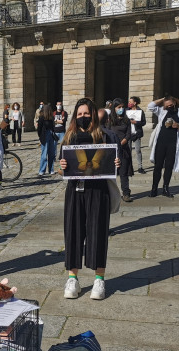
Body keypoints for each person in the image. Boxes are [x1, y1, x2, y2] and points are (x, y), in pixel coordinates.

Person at [59, 98, 121, 300]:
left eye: (86, 114)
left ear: (93, 115)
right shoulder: (69, 137)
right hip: (75, 190)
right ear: (74, 116)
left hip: (98, 190)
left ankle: (99, 280)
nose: (83, 117)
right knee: (73, 233)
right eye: (79, 114)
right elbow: (62, 169)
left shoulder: (104, 136)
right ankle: (72, 279)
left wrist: (116, 163)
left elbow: (114, 164)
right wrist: (62, 166)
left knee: (98, 233)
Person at [147, 96, 179, 198]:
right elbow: (150, 106)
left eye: (170, 105)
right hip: (161, 142)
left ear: (175, 103)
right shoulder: (162, 111)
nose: (169, 107)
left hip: (173, 143)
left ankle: (165, 188)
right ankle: (154, 188)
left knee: (169, 166)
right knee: (158, 166)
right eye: (166, 106)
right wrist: (162, 99)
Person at [107, 98, 139, 202]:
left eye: (122, 107)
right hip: (111, 150)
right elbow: (106, 133)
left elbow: (128, 134)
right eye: (118, 107)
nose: (121, 109)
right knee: (110, 173)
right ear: (114, 108)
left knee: (124, 173)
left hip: (123, 150)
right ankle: (110, 194)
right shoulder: (110, 120)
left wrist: (121, 143)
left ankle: (126, 193)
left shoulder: (126, 120)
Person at [127, 97, 146, 173]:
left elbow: (144, 122)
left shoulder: (140, 111)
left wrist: (136, 122)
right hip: (128, 133)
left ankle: (140, 167)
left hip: (137, 133)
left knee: (138, 150)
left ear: (135, 103)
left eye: (130, 102)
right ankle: (129, 167)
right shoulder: (126, 110)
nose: (129, 103)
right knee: (128, 151)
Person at [37, 105, 57, 177]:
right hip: (44, 136)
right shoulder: (42, 118)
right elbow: (39, 128)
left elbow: (53, 127)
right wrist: (40, 136)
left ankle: (51, 169)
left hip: (51, 135)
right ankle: (42, 170)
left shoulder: (51, 118)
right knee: (44, 154)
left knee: (51, 153)